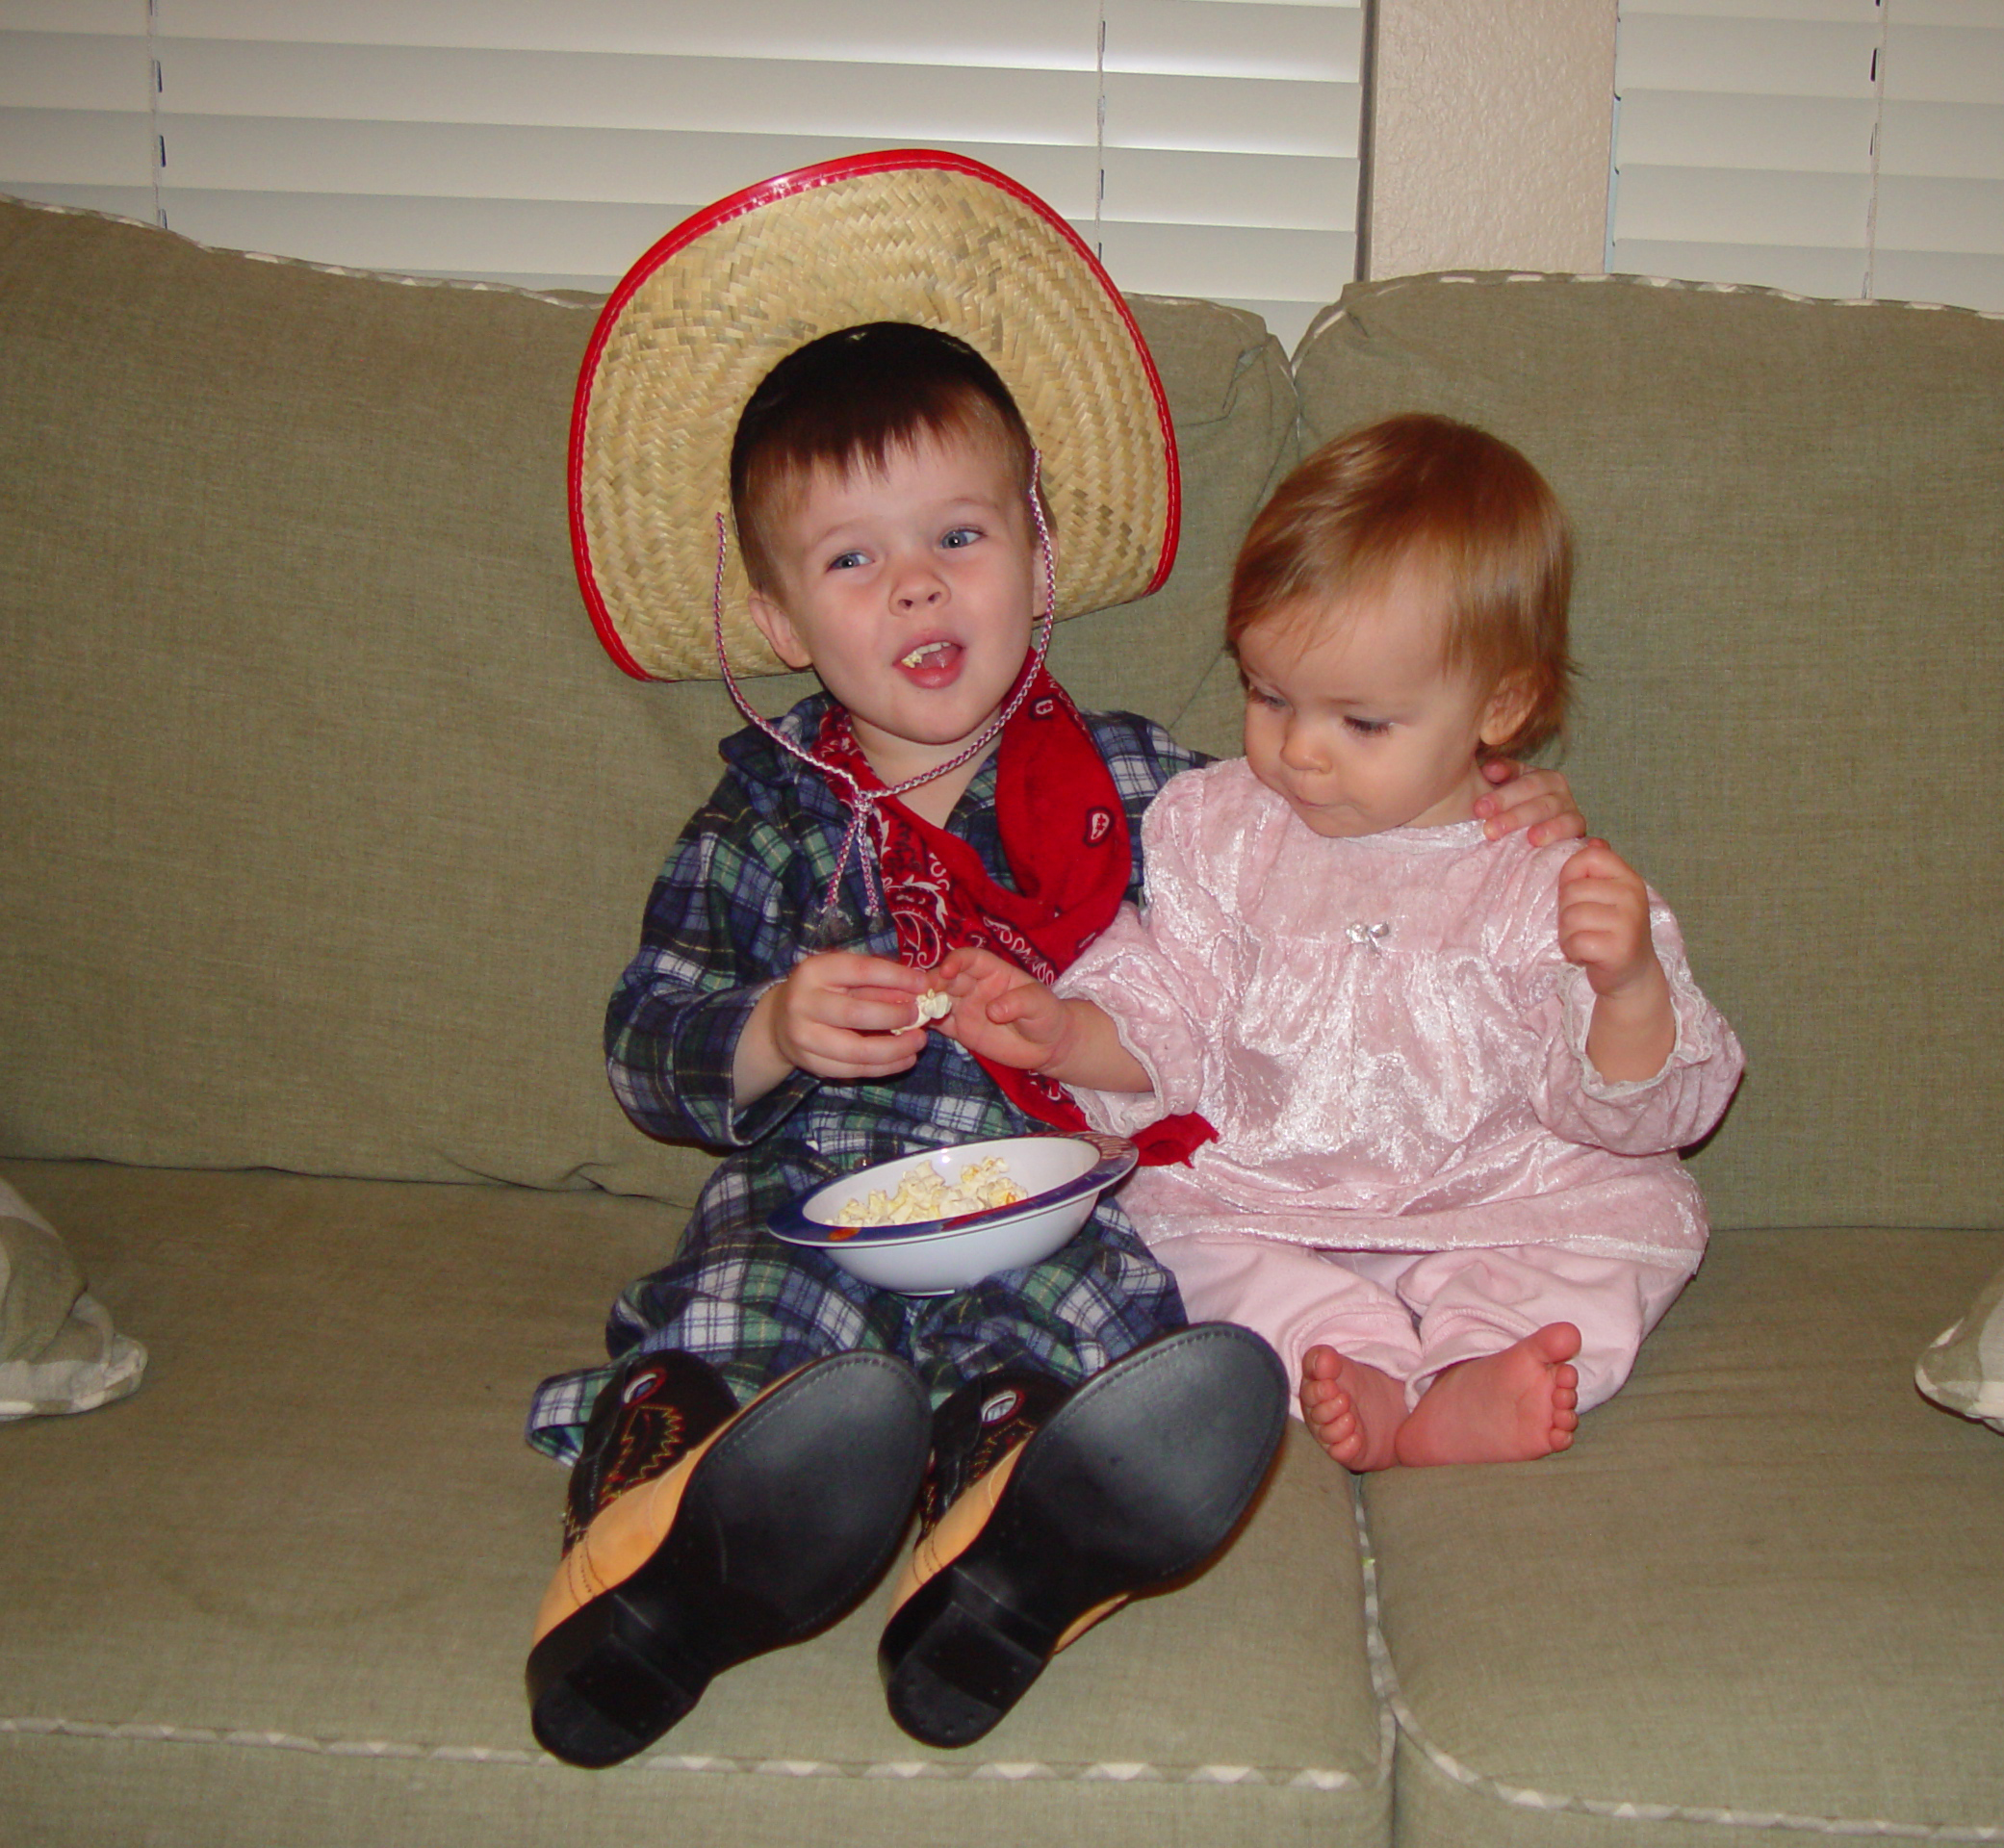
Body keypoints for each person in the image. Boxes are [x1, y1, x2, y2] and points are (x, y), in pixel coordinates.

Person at [524, 156, 1585, 1766]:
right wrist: (769, 1033)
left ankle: (1002, 1566)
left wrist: (1488, 801)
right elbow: (642, 1046)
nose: (919, 586)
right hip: (819, 1206)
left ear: (1034, 539)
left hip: (1056, 1198)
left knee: (1105, 1334)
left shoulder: (1171, 792)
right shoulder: (759, 821)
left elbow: (1342, 862)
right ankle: (651, 1576)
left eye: (957, 532)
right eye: (852, 561)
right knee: (743, 1324)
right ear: (779, 614)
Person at [938, 413, 1744, 1475]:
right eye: (1269, 696)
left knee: (1620, 1238)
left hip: (1502, 1198)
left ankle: (1473, 1373)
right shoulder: (1216, 830)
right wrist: (1065, 1035)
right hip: (1265, 1191)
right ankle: (1344, 1358)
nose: (1301, 752)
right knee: (1170, 1239)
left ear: (1498, 706)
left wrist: (1629, 985)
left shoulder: (1541, 870)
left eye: (1361, 723)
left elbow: (1640, 1115)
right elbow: (1170, 1007)